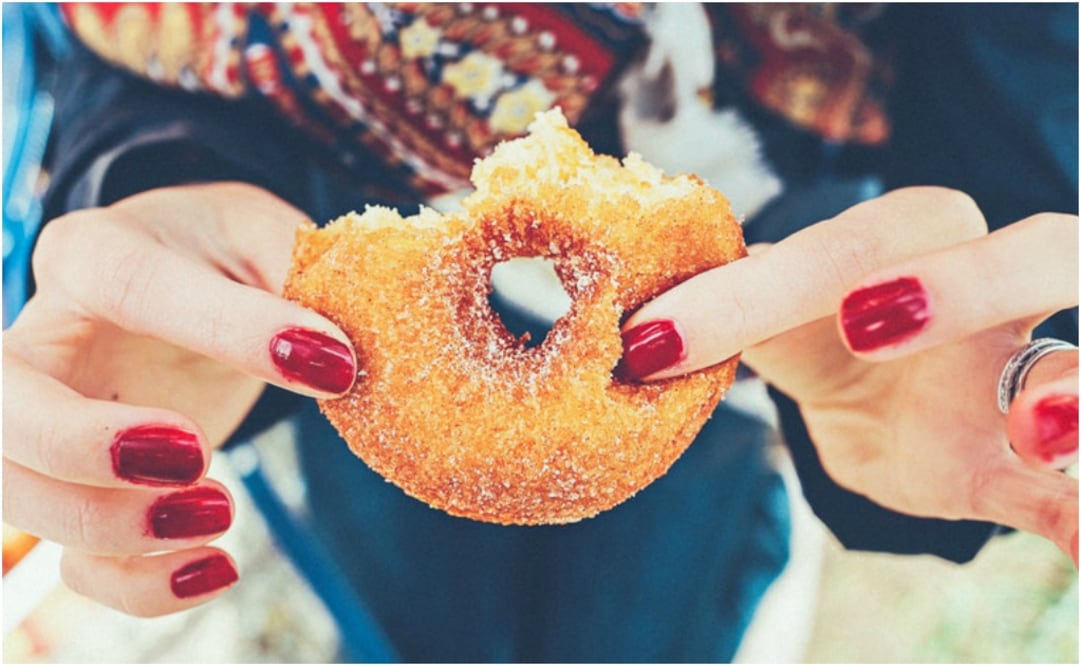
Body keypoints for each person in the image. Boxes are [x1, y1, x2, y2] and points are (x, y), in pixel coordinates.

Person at [3, 3, 1077, 661]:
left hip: (733, 366)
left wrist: (997, 325)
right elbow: (140, 35)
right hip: (374, 369)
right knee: (425, 633)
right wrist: (156, 172)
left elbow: (1027, 86)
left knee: (645, 637)